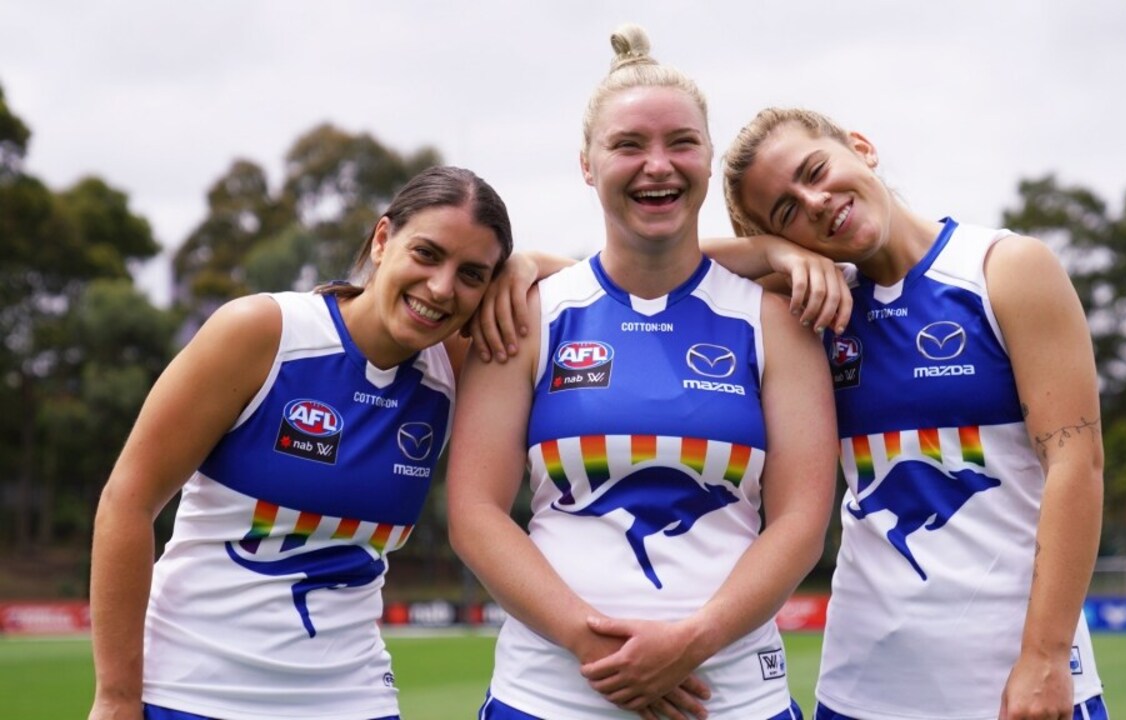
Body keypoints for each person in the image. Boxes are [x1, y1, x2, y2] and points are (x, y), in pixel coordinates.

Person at [446, 26, 837, 720]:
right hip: (550, 696)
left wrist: (694, 641)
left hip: (731, 695)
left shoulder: (774, 320)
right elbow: (475, 513)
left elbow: (802, 518)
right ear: (588, 165)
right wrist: (594, 647)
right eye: (628, 145)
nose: (658, 165)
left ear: (707, 159)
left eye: (680, 143)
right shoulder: (530, 312)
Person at [713, 108, 1108, 720]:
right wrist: (772, 253)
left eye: (816, 170)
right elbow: (656, 262)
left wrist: (1048, 656)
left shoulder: (1003, 269)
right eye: (786, 211)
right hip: (862, 689)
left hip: (1014, 685)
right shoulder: (813, 309)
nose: (815, 201)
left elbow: (1076, 465)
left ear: (862, 147)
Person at [88, 166, 515, 720]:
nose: (441, 288)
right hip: (193, 692)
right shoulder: (264, 333)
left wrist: (521, 267)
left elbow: (574, 284)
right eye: (428, 254)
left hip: (352, 699)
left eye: (472, 275)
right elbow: (128, 500)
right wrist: (117, 697)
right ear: (382, 240)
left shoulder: (456, 371)